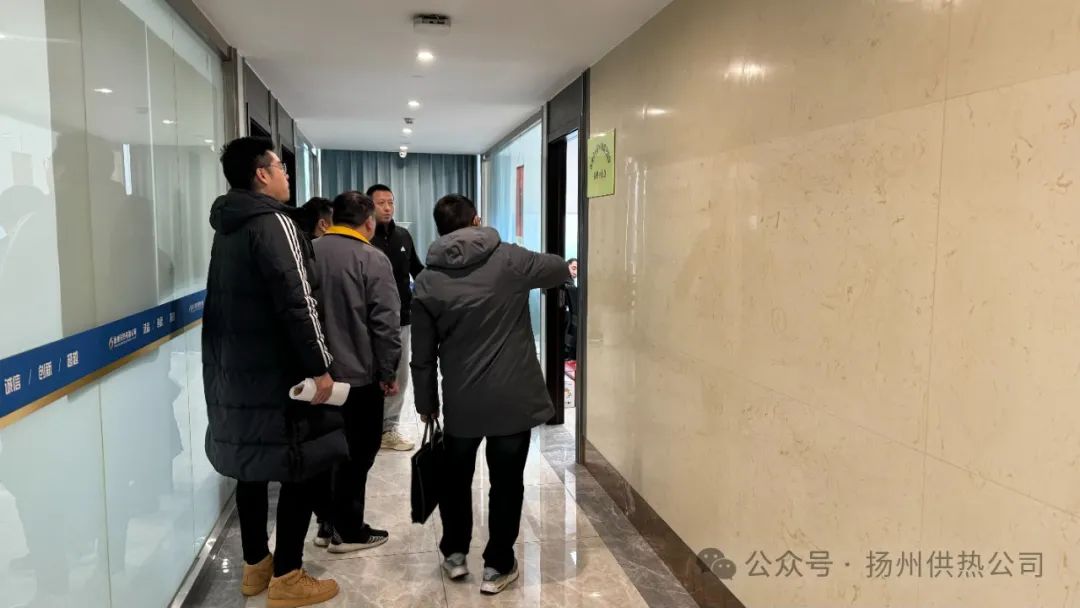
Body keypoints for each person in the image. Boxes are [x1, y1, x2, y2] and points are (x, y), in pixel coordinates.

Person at [203, 136, 343, 607]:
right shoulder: (275, 223)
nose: (286, 174)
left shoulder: (229, 226)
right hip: (278, 372)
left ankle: (255, 567)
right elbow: (299, 301)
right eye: (281, 166)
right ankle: (287, 576)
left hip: (237, 372)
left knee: (251, 468)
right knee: (300, 467)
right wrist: (320, 367)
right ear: (262, 174)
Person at [411, 194, 570, 595]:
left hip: (462, 402)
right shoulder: (508, 259)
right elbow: (557, 268)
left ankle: (454, 554)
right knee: (507, 482)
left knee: (455, 480)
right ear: (477, 220)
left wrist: (426, 404)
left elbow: (422, 354)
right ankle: (497, 565)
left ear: (440, 229)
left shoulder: (428, 279)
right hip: (512, 400)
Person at [309, 191, 401, 553]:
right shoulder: (372, 258)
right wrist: (388, 371)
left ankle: (325, 523)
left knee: (321, 452)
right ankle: (348, 530)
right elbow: (385, 323)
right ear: (368, 223)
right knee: (358, 452)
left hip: (315, 378)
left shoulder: (308, 251)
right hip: (359, 377)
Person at [367, 184, 424, 451]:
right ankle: (369, 427)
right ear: (369, 206)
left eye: (391, 202)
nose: (388, 208)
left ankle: (389, 428)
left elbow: (417, 270)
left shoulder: (403, 235)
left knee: (399, 374)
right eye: (381, 203)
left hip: (401, 319)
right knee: (372, 374)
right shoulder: (364, 237)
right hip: (368, 321)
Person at [562, 258, 579, 361]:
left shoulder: (568, 283)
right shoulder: (567, 284)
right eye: (573, 268)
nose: (575, 272)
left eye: (577, 270)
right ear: (567, 266)